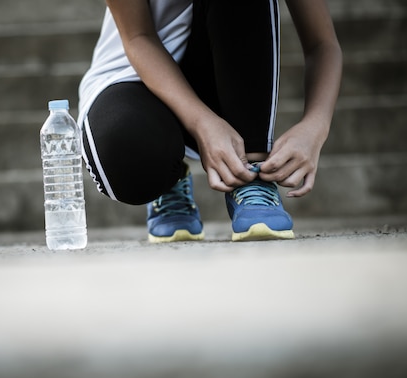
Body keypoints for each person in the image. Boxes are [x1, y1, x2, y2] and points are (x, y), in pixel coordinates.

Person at [78, 0, 342, 242]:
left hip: (224, 71)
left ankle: (253, 175)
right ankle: (169, 181)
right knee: (123, 152)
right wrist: (201, 122)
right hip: (135, 75)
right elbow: (138, 37)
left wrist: (315, 126)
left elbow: (323, 44)